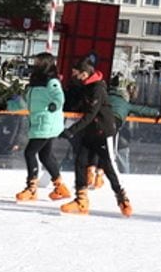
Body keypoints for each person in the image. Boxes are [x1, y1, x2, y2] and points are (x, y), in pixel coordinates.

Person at [59, 57, 132, 217]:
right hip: (90, 131)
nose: (74, 76)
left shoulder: (98, 88)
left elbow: (91, 113)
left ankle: (122, 199)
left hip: (103, 132)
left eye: (75, 74)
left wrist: (72, 130)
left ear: (84, 74)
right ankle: (81, 200)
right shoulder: (85, 87)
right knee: (80, 162)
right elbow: (79, 106)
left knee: (108, 166)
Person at [15, 52, 70, 203]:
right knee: (45, 156)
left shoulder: (51, 80)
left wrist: (54, 105)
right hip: (38, 121)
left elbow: (59, 97)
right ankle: (60, 186)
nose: (35, 64)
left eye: (38, 62)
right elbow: (29, 101)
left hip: (46, 122)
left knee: (30, 152)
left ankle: (31, 188)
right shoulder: (36, 81)